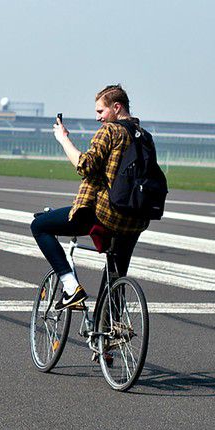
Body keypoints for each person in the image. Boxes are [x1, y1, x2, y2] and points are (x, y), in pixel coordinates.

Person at [31, 84, 151, 310]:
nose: (98, 118)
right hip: (135, 219)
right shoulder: (144, 136)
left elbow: (85, 166)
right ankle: (109, 333)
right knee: (115, 276)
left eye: (100, 112)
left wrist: (63, 139)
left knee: (40, 226)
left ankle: (70, 287)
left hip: (105, 213)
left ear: (116, 107)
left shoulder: (110, 131)